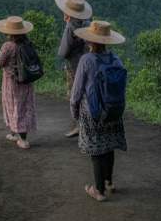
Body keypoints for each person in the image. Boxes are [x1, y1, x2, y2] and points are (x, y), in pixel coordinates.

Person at [70, 21, 128, 202]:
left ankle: (99, 190)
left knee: (96, 151)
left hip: (93, 113)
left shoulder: (86, 60)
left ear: (90, 40)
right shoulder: (116, 59)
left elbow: (76, 92)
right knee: (109, 146)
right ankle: (109, 182)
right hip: (113, 111)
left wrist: (75, 113)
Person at [0, 16, 38, 149]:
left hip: (12, 83)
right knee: (24, 107)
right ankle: (15, 134)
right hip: (26, 81)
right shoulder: (27, 43)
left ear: (9, 33)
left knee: (13, 106)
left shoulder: (8, 46)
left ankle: (23, 140)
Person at [55, 0, 93, 138]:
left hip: (75, 66)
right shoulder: (88, 23)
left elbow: (63, 52)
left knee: (75, 95)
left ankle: (80, 126)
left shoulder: (71, 26)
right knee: (88, 94)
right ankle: (89, 123)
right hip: (90, 64)